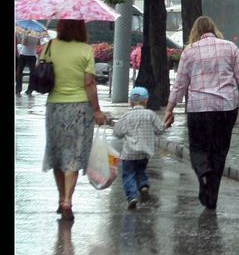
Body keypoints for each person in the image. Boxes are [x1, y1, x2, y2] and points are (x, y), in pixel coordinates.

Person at [164, 16, 239, 210]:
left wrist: (170, 108)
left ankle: (203, 171)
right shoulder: (230, 48)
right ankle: (211, 197)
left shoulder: (189, 52)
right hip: (226, 108)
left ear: (195, 32)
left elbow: (180, 84)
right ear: (214, 29)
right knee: (219, 151)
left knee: (198, 148)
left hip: (199, 109)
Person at [41, 19, 108, 221]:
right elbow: (89, 83)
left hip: (54, 106)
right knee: (74, 154)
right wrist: (97, 110)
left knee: (58, 153)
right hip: (80, 108)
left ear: (61, 27)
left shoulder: (49, 47)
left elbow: (42, 72)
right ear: (81, 28)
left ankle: (61, 197)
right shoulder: (86, 50)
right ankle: (69, 200)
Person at [113, 86, 166, 209]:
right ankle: (143, 186)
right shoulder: (150, 115)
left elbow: (117, 133)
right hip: (145, 153)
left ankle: (132, 197)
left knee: (128, 174)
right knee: (140, 170)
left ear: (130, 101)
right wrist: (166, 124)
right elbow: (160, 130)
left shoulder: (126, 116)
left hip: (129, 153)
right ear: (146, 100)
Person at [16, 31, 41, 95]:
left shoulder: (38, 36)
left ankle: (30, 90)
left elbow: (38, 45)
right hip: (23, 54)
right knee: (19, 72)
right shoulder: (26, 34)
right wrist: (25, 36)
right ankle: (18, 89)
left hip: (32, 55)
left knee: (32, 73)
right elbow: (24, 44)